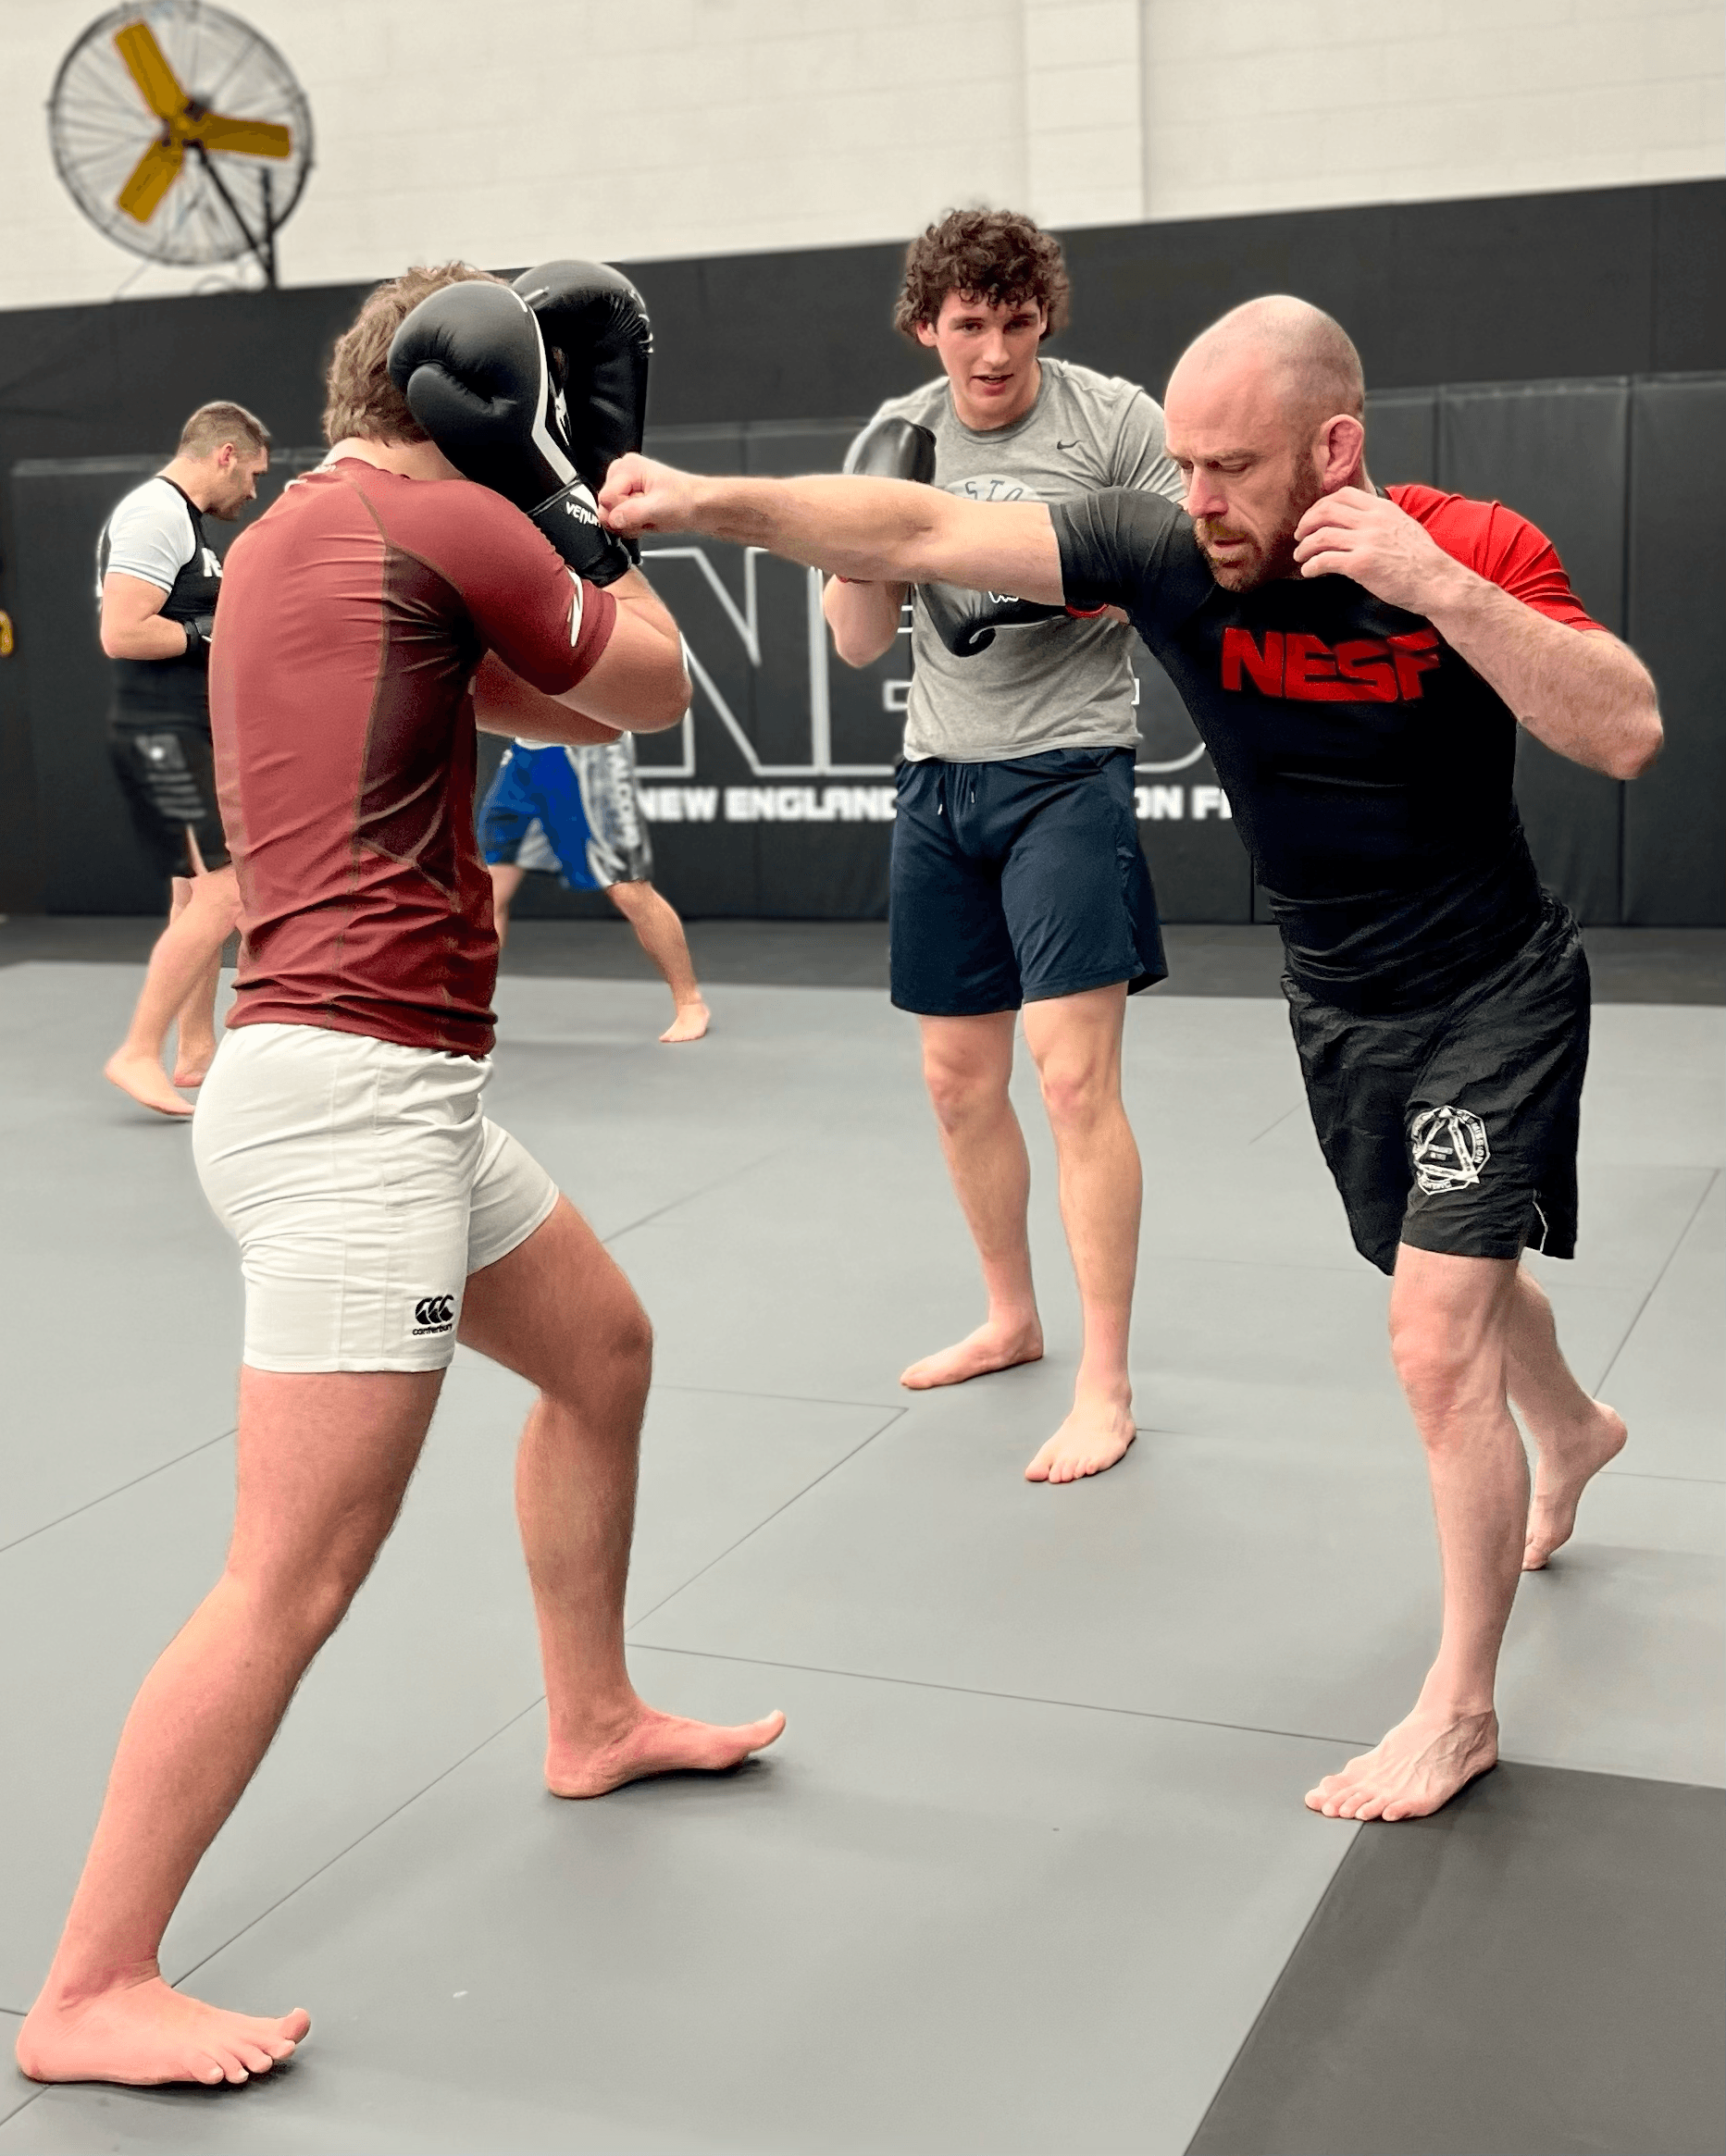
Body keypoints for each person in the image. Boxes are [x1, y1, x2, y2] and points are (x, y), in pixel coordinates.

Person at [595, 292, 1663, 1825]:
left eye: (1231, 468)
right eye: (1184, 463)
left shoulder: (1468, 542)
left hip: (1493, 987)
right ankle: (1570, 1426)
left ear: (1334, 451)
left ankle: (1460, 1708)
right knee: (1452, 1266)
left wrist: (1436, 587)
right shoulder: (1167, 548)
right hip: (1339, 1000)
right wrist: (705, 501)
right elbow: (919, 529)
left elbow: (1622, 730)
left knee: (1435, 1337)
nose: (1197, 496)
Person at [17, 263, 781, 2094]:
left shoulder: (300, 531)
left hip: (364, 1086)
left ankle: (590, 1716)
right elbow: (657, 683)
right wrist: (581, 490)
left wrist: (553, 538)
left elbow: (559, 711)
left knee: (601, 1353)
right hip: (358, 1108)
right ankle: (91, 1982)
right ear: (486, 400)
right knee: (291, 1575)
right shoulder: (447, 516)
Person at [825, 208, 1184, 1484]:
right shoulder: (900, 429)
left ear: (1044, 318)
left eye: (1015, 322)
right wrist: (866, 534)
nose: (992, 351)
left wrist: (1077, 573)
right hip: (939, 778)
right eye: (967, 324)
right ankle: (1010, 1316)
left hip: (1068, 770)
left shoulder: (1112, 422)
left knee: (1072, 1079)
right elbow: (857, 642)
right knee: (954, 1080)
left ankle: (1106, 1380)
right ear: (927, 324)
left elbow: (1183, 569)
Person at [98, 403, 270, 1117]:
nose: (254, 491)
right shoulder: (155, 513)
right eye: (253, 474)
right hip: (160, 736)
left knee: (194, 898)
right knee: (227, 895)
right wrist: (212, 633)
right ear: (224, 454)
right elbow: (122, 633)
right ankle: (137, 1051)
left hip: (187, 733)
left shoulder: (185, 524)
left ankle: (195, 1050)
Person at [477, 672, 711, 1043]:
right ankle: (472, 1007)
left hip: (589, 751)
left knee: (627, 888)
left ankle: (690, 1003)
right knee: (487, 892)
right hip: (525, 754)